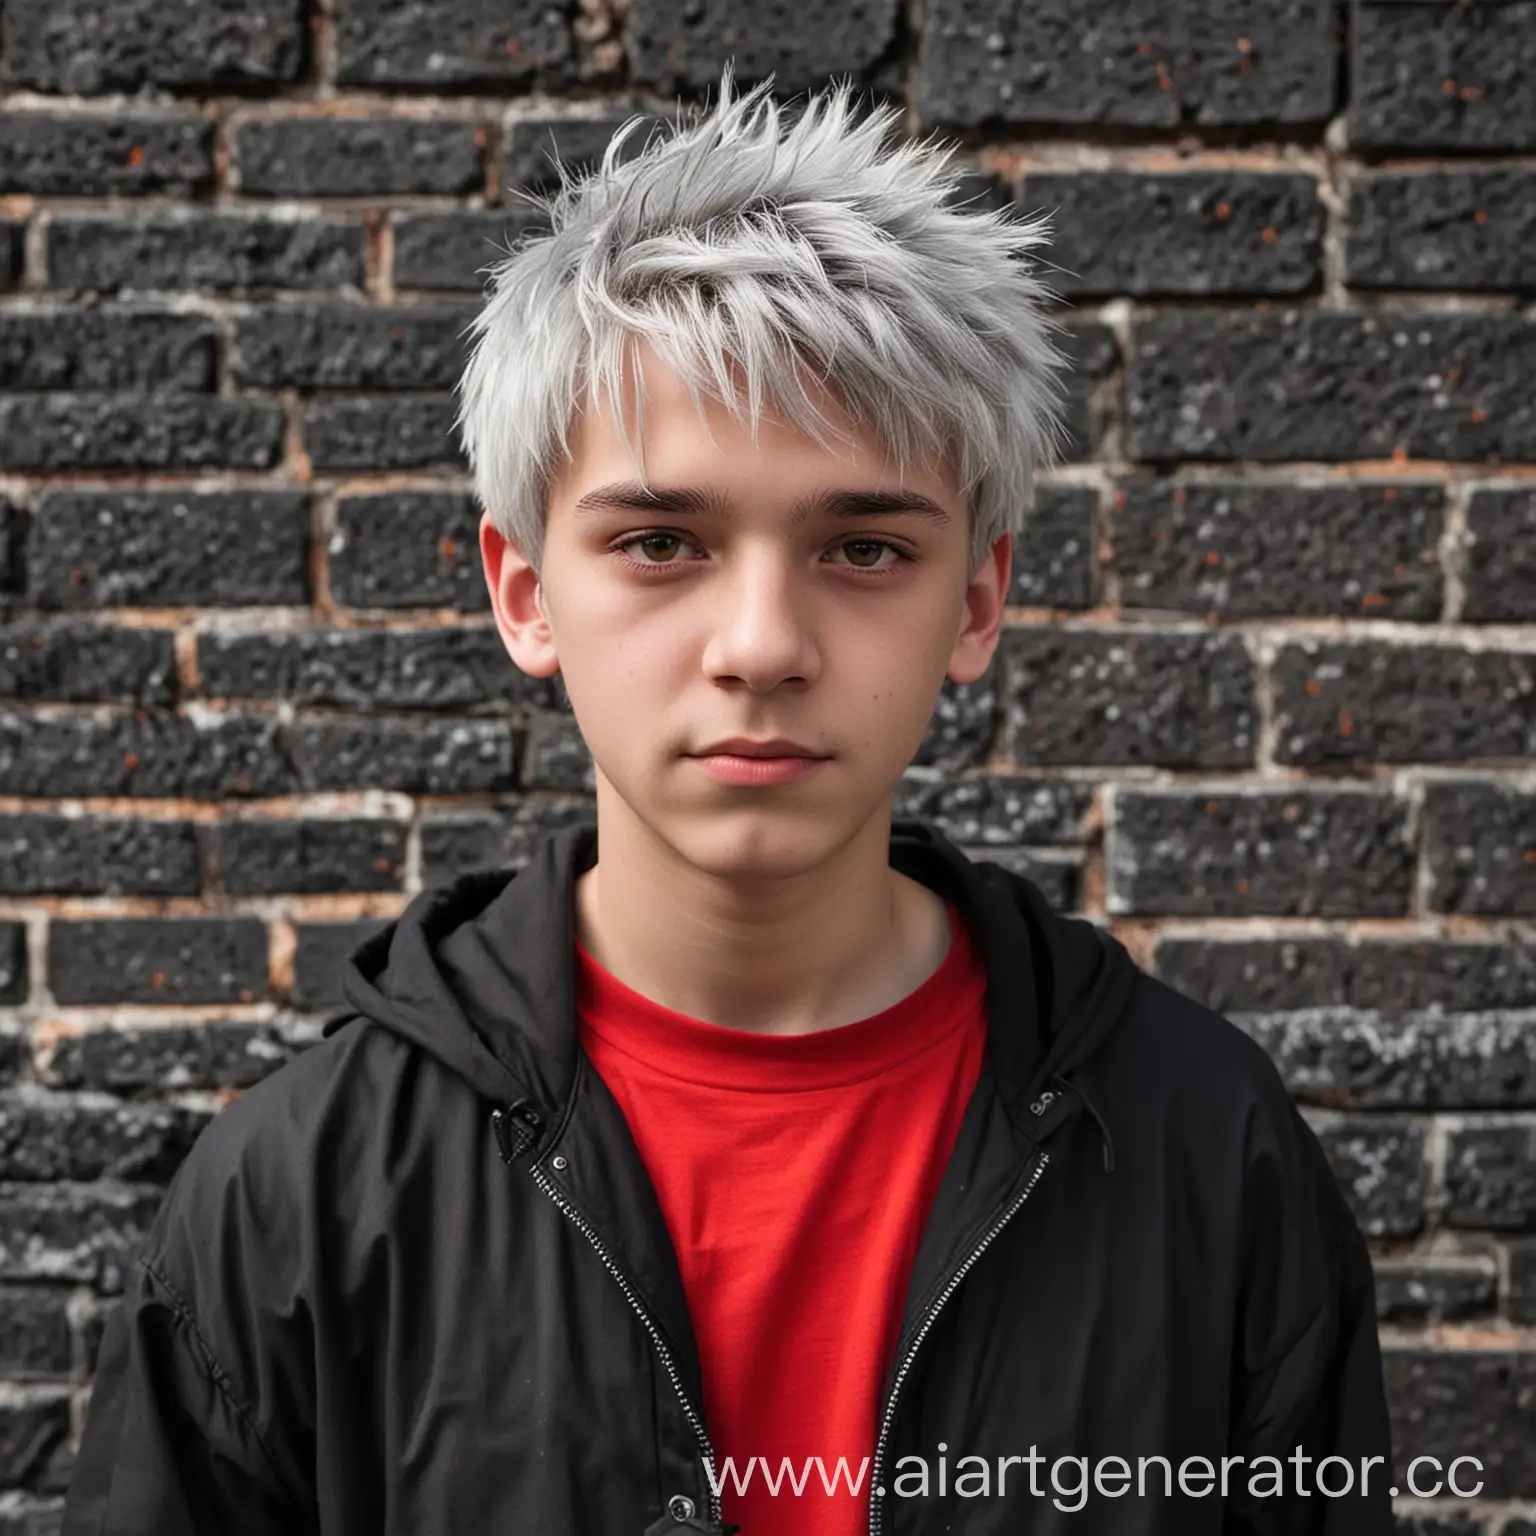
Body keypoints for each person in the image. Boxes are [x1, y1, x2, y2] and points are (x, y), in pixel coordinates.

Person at [62, 65, 1395, 1536]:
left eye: (866, 550)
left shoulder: (1211, 1151)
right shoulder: (296, 1198)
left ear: (979, 598)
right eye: (659, 541)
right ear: (524, 593)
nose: (761, 645)